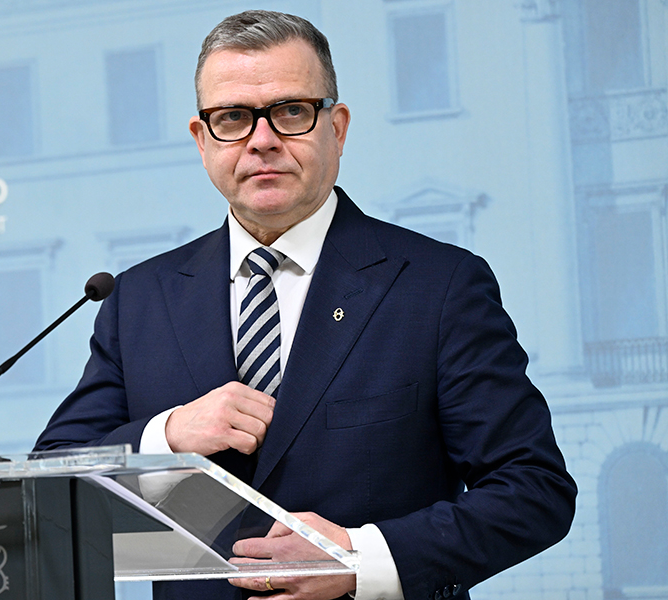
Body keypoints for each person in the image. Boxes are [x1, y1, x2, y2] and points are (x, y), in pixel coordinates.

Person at [34, 10, 576, 600]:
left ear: (336, 128)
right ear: (202, 139)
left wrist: (359, 560)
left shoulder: (439, 286)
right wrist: (168, 434)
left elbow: (533, 489)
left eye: (291, 111)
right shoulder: (138, 298)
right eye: (233, 118)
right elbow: (50, 483)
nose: (262, 140)